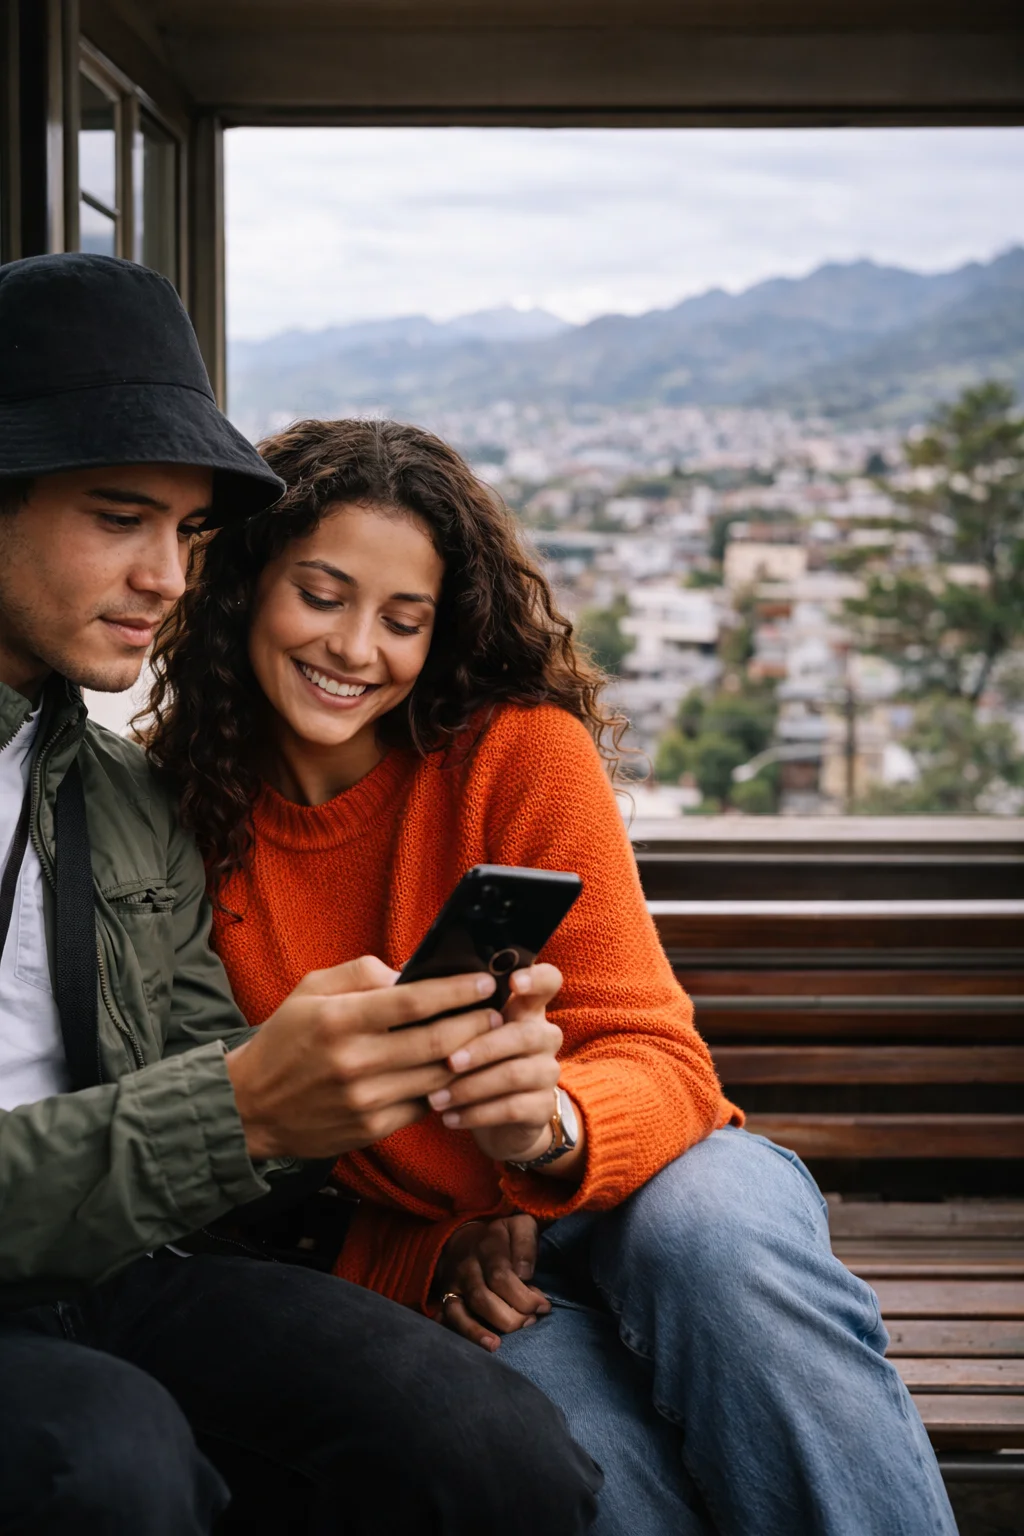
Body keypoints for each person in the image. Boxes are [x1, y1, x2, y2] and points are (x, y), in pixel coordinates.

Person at [145, 416, 959, 1536]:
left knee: (717, 1244)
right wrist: (440, 1237)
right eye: (321, 596)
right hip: (442, 1254)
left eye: (403, 618)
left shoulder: (514, 751)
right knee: (597, 1479)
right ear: (246, 586)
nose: (354, 648)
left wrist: (550, 1133)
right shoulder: (171, 816)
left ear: (442, 630)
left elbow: (659, 1057)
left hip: (647, 1181)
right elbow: (237, 1152)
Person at [0, 254, 602, 1536]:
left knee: (498, 1456)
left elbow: (222, 1094)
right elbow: (216, 1105)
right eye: (120, 518)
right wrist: (239, 1105)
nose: (167, 577)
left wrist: (439, 1140)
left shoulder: (119, 796)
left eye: (186, 532)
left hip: (116, 1267)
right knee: (105, 1458)